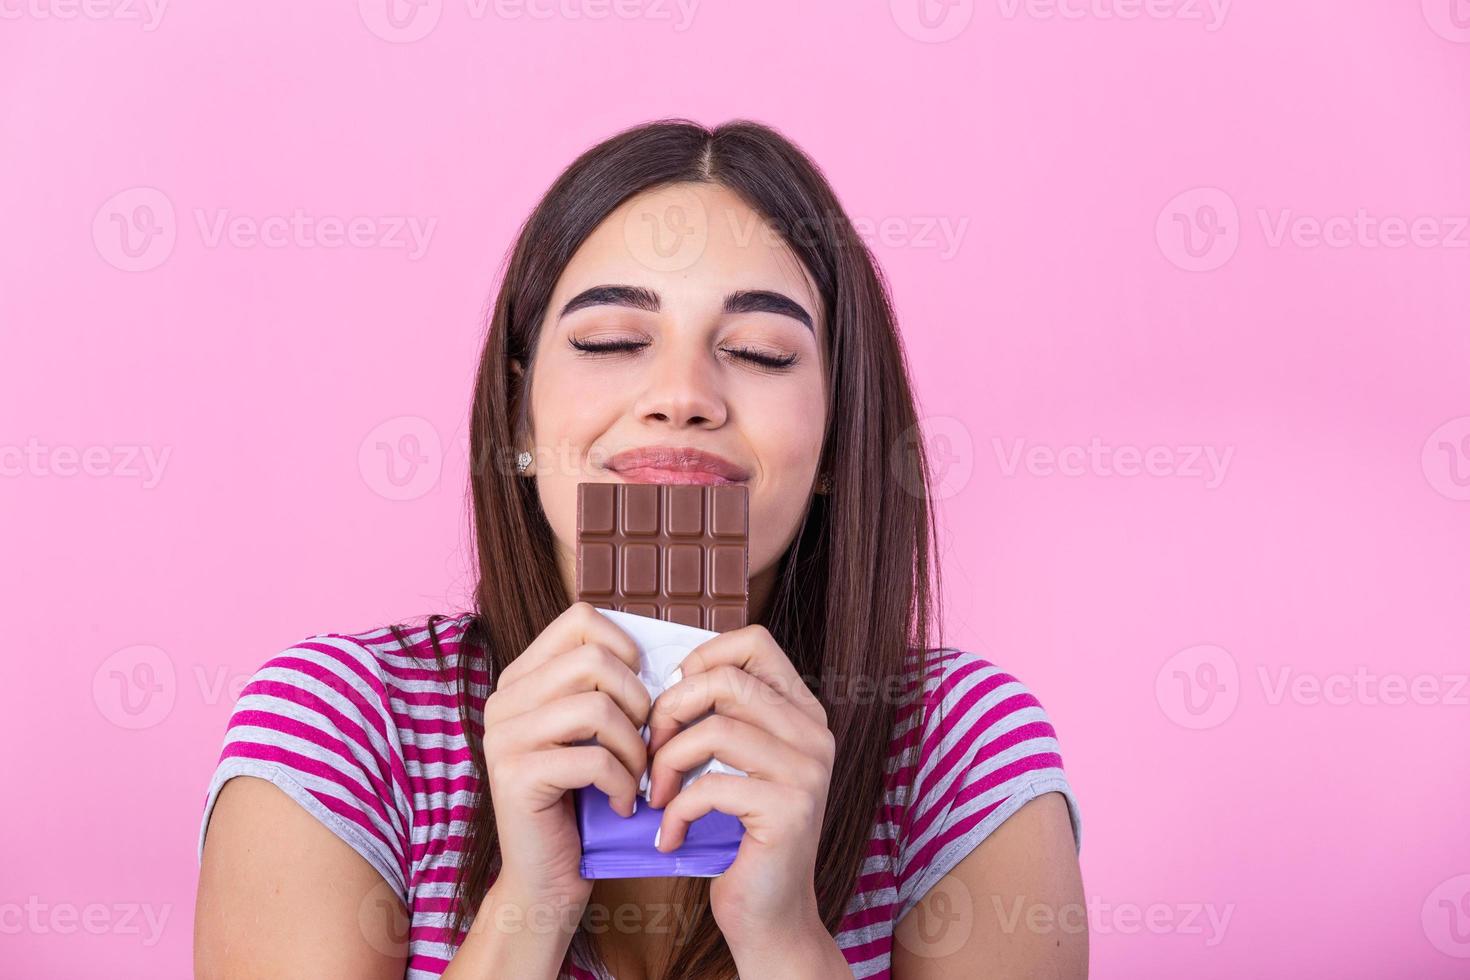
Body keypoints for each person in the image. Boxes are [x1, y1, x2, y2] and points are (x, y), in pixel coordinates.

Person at [193, 118, 1086, 980]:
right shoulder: (347, 727)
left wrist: (783, 941)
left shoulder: (958, 752)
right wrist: (527, 910)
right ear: (518, 416)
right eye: (613, 340)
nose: (681, 395)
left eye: (760, 352)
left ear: (836, 440)